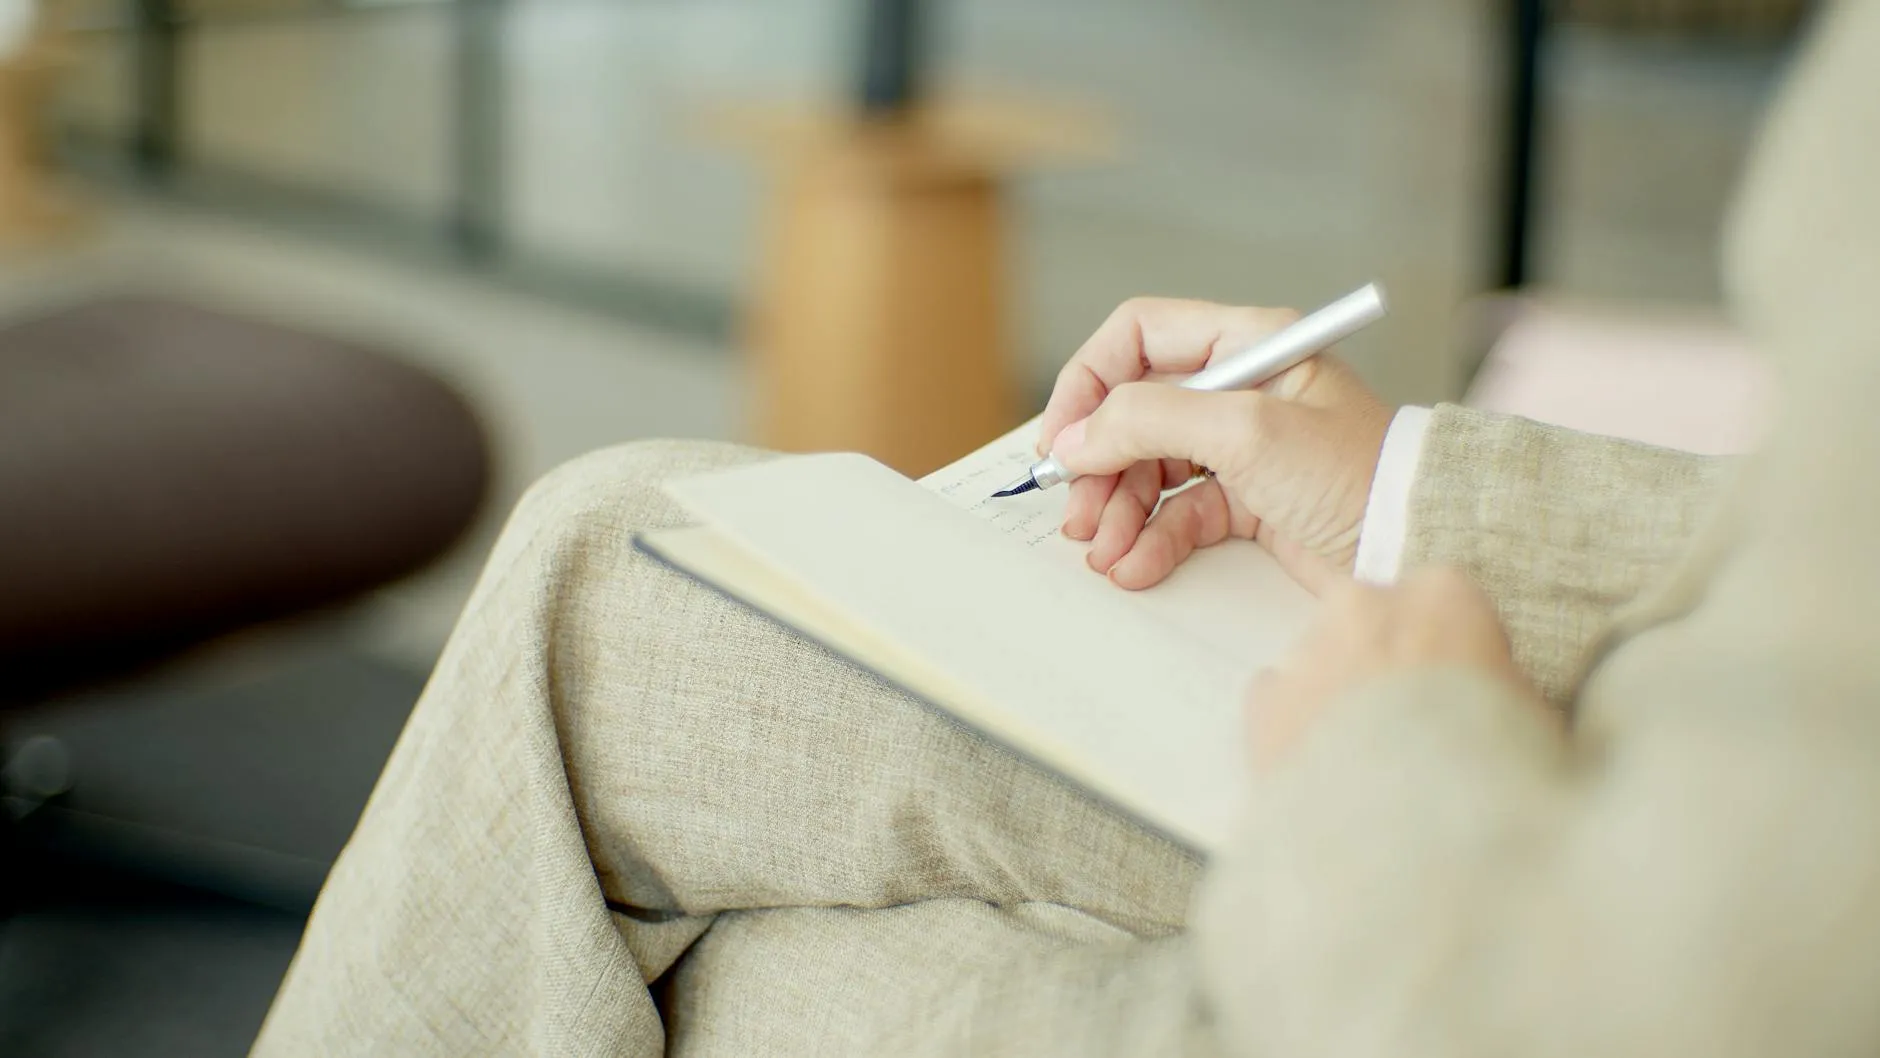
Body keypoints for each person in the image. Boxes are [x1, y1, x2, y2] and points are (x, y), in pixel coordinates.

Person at [253, 2, 1880, 1054]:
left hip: (1533, 918)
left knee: (717, 991)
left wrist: (1408, 748)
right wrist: (1406, 491)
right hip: (1658, 746)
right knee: (614, 561)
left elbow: (1675, 992)